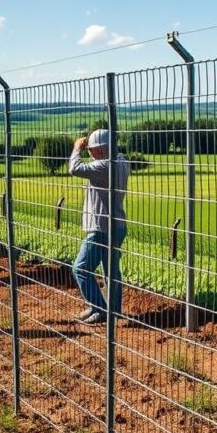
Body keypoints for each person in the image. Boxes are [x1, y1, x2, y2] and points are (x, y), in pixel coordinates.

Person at [69, 128, 129, 325]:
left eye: (91, 149)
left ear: (102, 150)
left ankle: (99, 309)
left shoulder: (104, 166)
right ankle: (114, 310)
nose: (89, 152)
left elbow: (75, 169)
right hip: (117, 225)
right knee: (111, 271)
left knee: (81, 268)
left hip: (101, 227)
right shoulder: (121, 162)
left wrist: (77, 148)